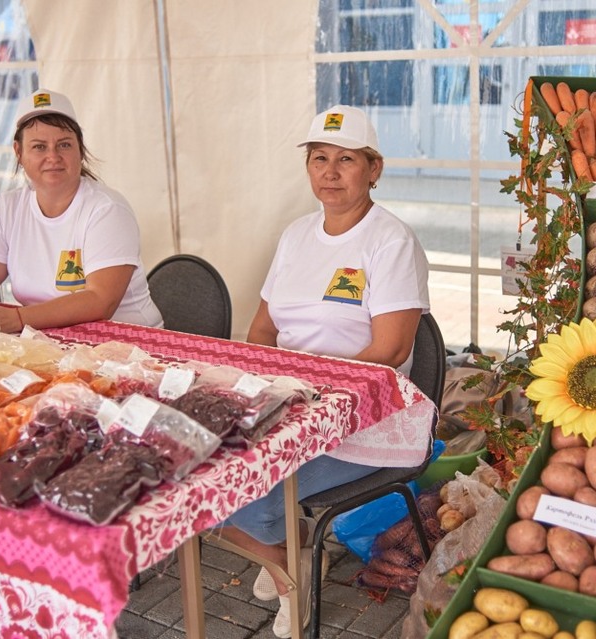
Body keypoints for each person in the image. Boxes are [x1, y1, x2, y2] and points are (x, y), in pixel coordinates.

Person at [218, 105, 431, 637]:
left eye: (346, 160)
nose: (330, 172)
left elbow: (391, 348)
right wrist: (277, 391)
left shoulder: (391, 241)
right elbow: (261, 333)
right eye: (319, 159)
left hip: (365, 417)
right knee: (201, 470)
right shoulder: (296, 236)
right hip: (292, 404)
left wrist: (314, 387)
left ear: (373, 169)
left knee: (252, 497)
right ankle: (290, 561)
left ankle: (288, 566)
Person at [0, 88, 163, 333]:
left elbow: (100, 301)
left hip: (127, 344)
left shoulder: (106, 210)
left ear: (80, 150)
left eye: (64, 145)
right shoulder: (9, 208)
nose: (53, 156)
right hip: (47, 341)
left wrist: (16, 319)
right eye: (39, 147)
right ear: (19, 152)